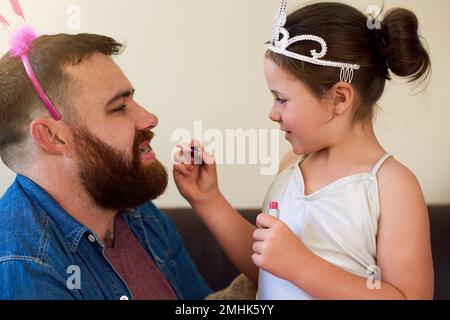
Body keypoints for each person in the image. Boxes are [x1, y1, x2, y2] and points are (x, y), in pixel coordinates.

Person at [174, 1, 434, 300]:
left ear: (339, 98)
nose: (272, 112)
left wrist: (301, 266)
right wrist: (209, 200)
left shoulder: (392, 186)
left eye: (281, 98)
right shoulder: (291, 165)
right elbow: (268, 265)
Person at [0, 33, 211, 300]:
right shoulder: (26, 269)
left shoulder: (135, 209)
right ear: (53, 136)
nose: (150, 118)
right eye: (120, 107)